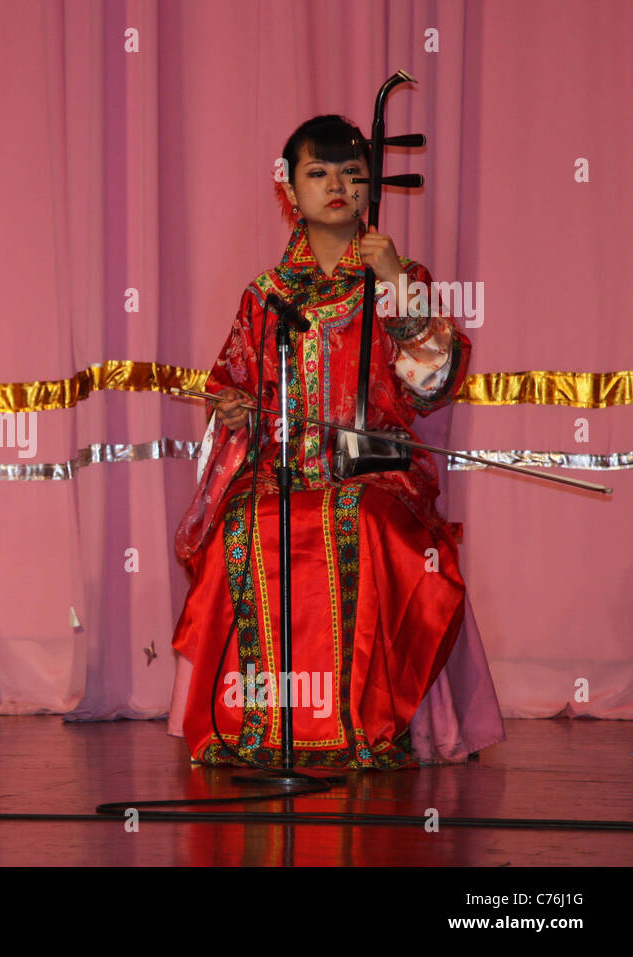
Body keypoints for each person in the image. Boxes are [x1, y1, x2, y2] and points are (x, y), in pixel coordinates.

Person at [169, 114, 480, 770]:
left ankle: (363, 728)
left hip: (377, 472)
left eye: (352, 172)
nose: (337, 183)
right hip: (281, 469)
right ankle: (250, 725)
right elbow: (235, 388)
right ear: (290, 192)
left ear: (371, 187)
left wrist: (393, 277)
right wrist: (233, 408)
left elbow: (434, 382)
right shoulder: (265, 296)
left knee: (356, 518)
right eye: (318, 172)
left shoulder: (400, 276)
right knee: (248, 520)